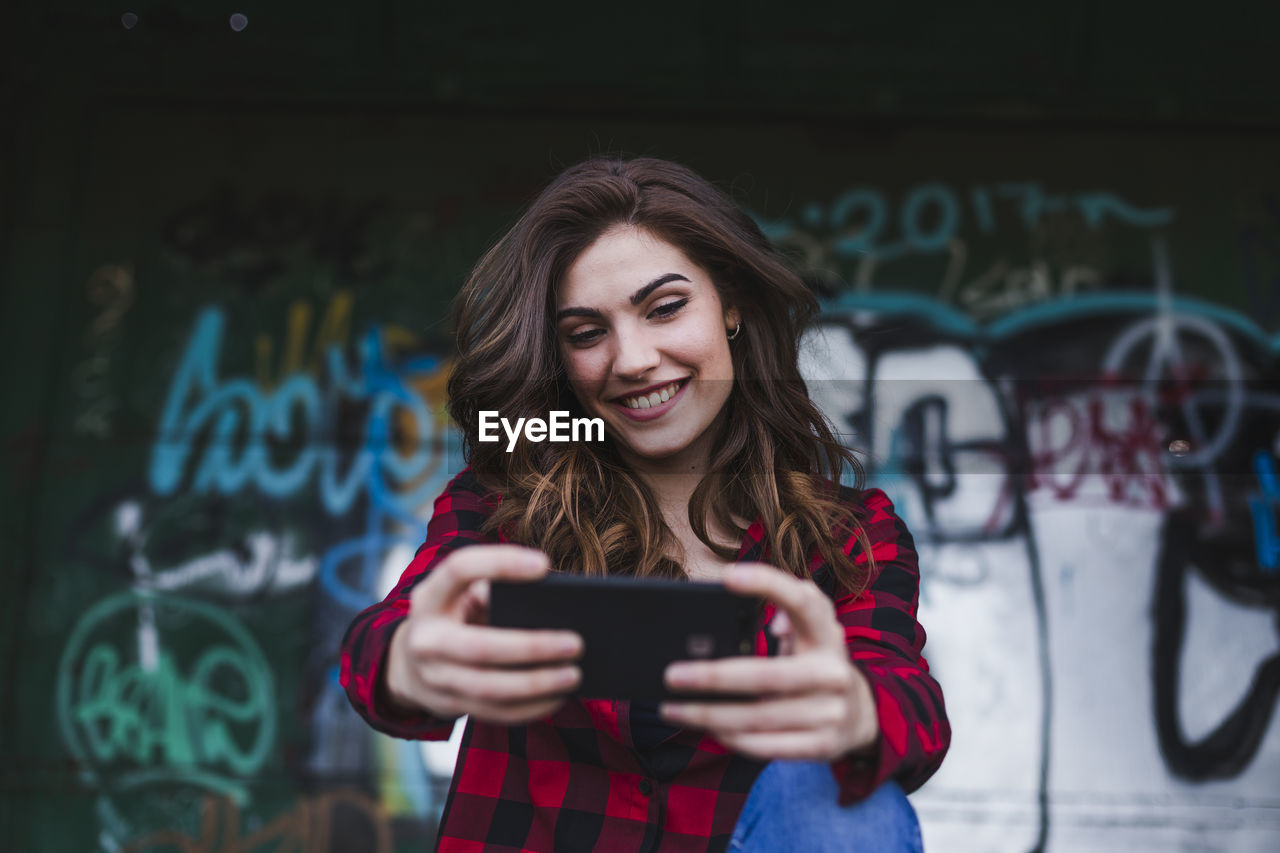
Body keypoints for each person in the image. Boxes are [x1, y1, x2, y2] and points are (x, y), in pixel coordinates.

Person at [341, 156, 949, 852]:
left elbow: (911, 705)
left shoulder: (849, 534)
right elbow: (378, 645)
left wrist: (853, 708)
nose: (631, 360)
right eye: (586, 333)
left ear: (733, 309)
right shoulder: (502, 508)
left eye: (664, 308)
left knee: (846, 805)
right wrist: (408, 658)